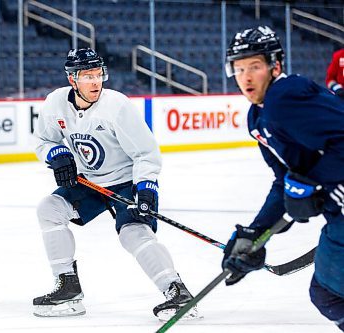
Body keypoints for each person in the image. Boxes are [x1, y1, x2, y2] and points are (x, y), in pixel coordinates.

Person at [32, 47, 197, 320]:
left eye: (99, 75)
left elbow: (146, 153)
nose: (96, 82)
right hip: (89, 183)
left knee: (133, 232)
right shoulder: (55, 104)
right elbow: (43, 140)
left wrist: (146, 188)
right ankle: (68, 288)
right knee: (49, 209)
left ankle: (177, 291)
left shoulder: (116, 106)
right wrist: (56, 154)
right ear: (73, 80)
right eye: (88, 76)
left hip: (126, 182)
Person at [221, 26, 344, 331]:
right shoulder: (257, 116)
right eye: (239, 68)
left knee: (329, 293)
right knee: (328, 294)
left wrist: (311, 183)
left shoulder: (285, 97)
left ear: (275, 66)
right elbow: (285, 180)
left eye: (255, 66)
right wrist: (255, 232)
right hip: (337, 211)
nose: (245, 77)